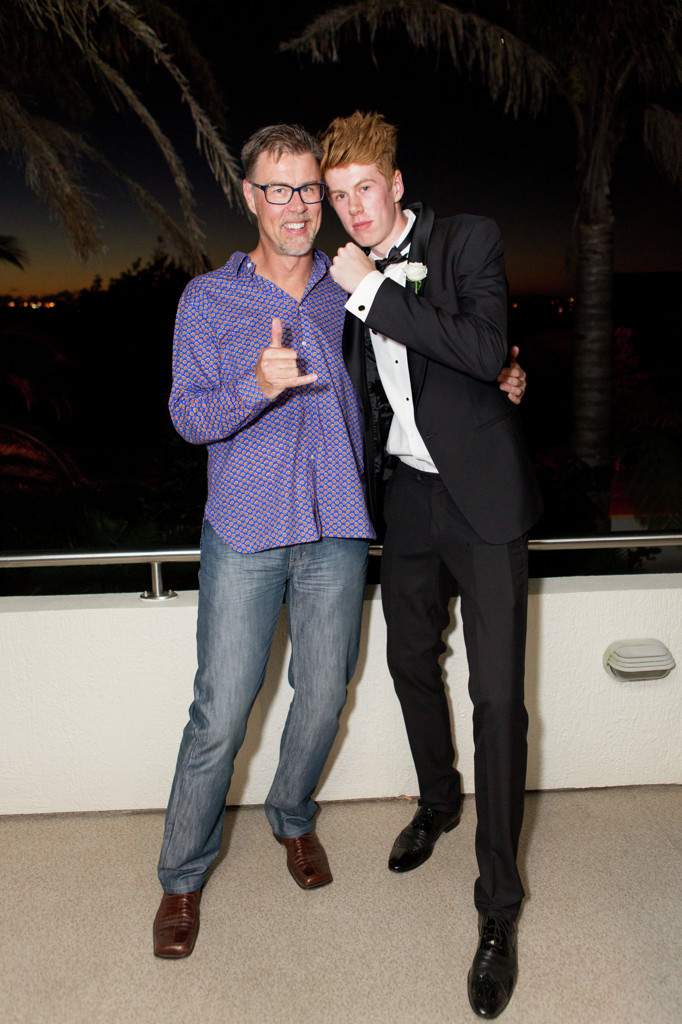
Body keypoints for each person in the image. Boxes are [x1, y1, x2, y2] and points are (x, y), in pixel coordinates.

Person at [153, 122, 526, 963]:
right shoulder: (208, 299)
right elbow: (185, 414)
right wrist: (253, 387)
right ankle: (181, 875)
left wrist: (501, 378)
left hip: (339, 531)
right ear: (250, 197)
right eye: (279, 189)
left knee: (323, 699)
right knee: (220, 712)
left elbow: (426, 362)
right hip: (246, 529)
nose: (299, 206)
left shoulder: (345, 286)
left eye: (309, 190)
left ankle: (292, 818)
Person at [320, 111, 543, 1019]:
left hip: (483, 499)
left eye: (364, 189)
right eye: (338, 196)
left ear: (397, 184)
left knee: (497, 699)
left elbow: (487, 350)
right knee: (409, 660)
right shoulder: (340, 275)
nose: (353, 208)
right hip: (407, 496)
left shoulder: (466, 240)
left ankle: (499, 907)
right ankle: (440, 802)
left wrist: (375, 290)